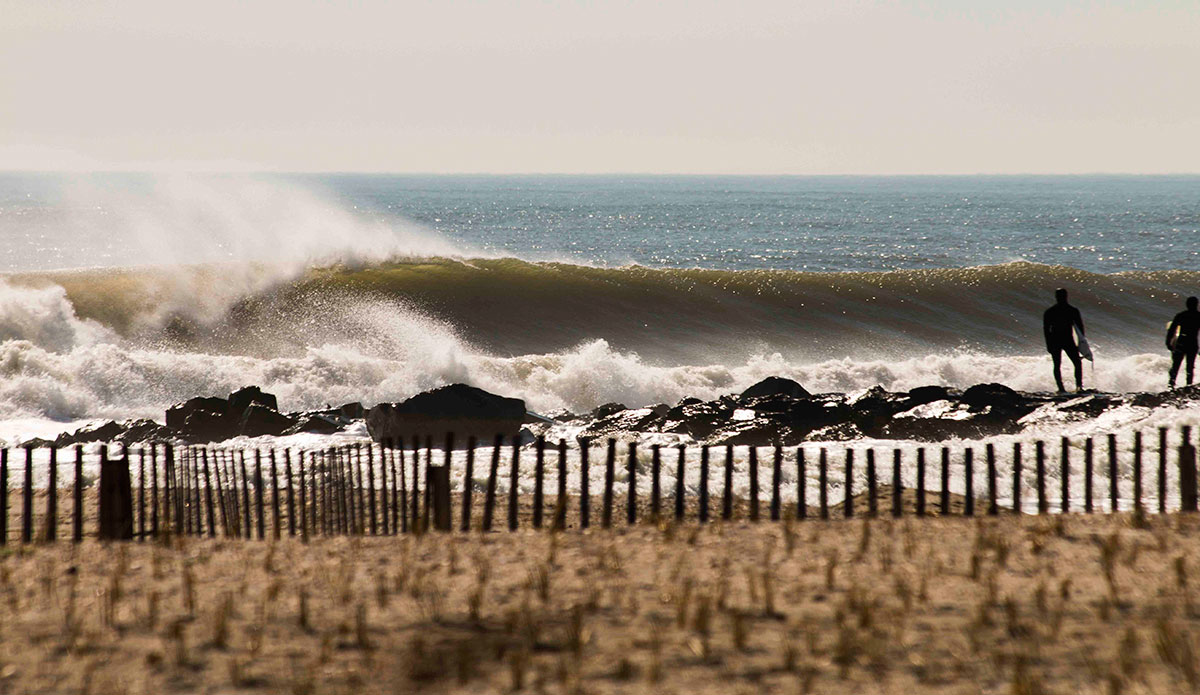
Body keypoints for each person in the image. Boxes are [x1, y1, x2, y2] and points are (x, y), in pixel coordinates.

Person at [1043, 288, 1085, 393]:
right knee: (1061, 364)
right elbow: (1046, 329)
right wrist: (1048, 344)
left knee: (1074, 363)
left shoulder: (1053, 311)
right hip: (1061, 340)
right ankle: (1066, 388)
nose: (1060, 298)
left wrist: (1081, 344)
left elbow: (1080, 329)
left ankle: (1076, 387)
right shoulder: (1069, 310)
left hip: (1063, 340)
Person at [1166, 296, 1200, 388]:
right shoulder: (1198, 316)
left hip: (1182, 342)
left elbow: (1171, 330)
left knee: (1176, 365)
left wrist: (1168, 342)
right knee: (1190, 367)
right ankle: (1188, 386)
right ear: (1197, 304)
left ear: (1187, 304)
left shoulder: (1181, 315)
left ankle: (1171, 385)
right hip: (1192, 343)